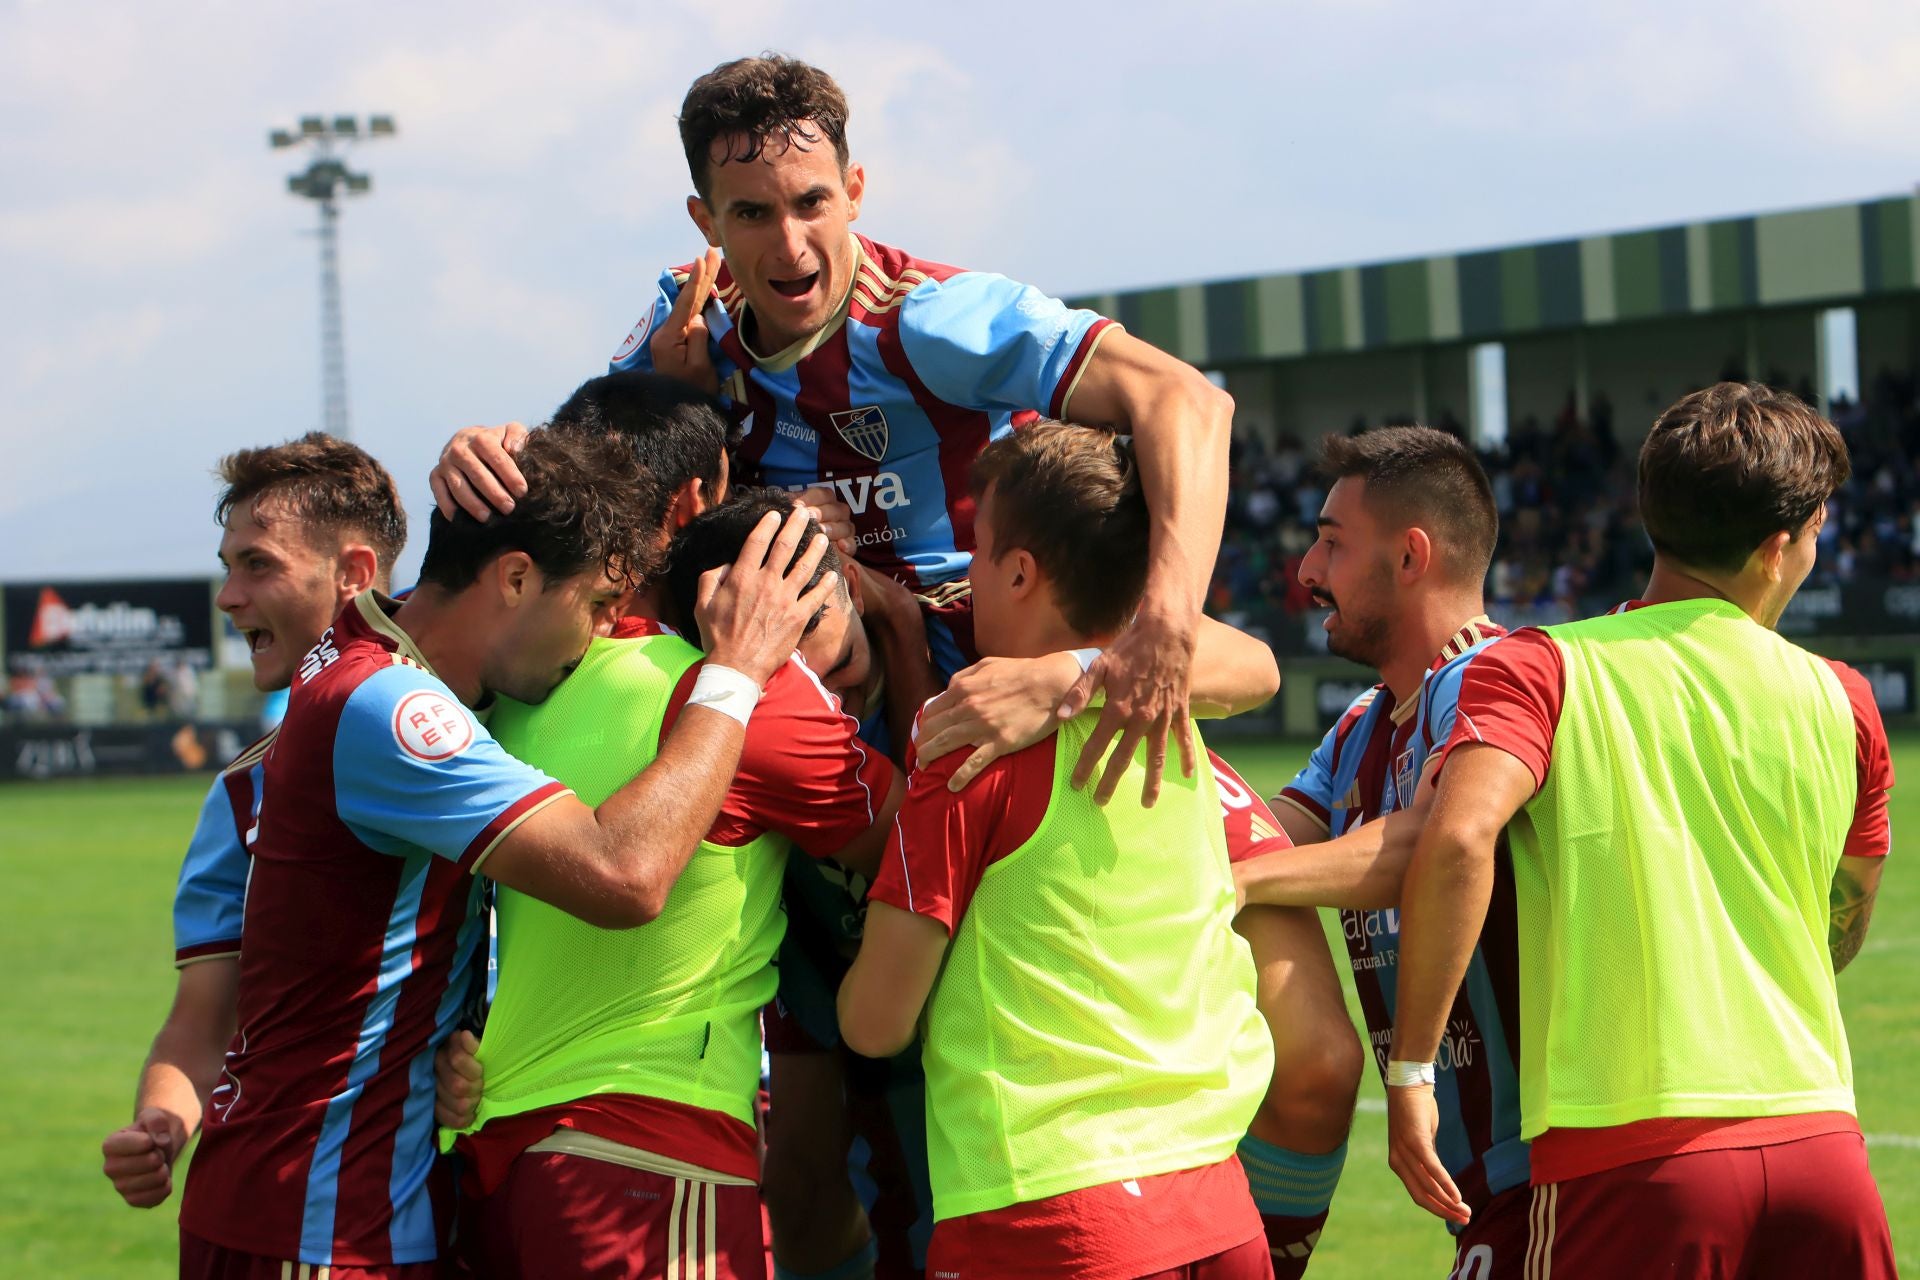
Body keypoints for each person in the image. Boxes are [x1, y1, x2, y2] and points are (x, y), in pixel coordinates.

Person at [434, 52, 1234, 810]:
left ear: (854, 190)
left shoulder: (930, 318)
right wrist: (497, 453)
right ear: (705, 220)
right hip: (800, 684)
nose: (789, 243)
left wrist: (1164, 624)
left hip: (993, 671)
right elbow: (596, 470)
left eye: (811, 202)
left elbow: (1189, 402)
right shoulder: (687, 325)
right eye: (751, 212)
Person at [173, 425, 835, 1278]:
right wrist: (737, 669)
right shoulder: (388, 708)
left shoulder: (372, 660)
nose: (599, 637)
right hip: (318, 1214)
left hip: (349, 1194)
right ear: (516, 577)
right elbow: (621, 874)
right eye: (596, 607)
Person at [1387, 383, 1896, 1278]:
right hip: (1823, 1141)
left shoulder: (1540, 668)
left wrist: (1412, 1070)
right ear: (1780, 547)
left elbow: (1459, 838)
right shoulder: (1846, 699)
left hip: (1631, 1160)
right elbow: (1844, 919)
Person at [439, 387, 905, 1280]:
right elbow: (925, 842)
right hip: (650, 1154)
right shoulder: (744, 694)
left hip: (499, 1144)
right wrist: (905, 632)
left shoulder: (517, 679)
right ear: (697, 502)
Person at [838, 423, 1274, 1280]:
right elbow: (1252, 664)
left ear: (1020, 572)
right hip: (1217, 1202)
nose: (964, 575)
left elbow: (876, 1021)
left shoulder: (966, 753)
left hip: (1049, 1215)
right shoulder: (1176, 715)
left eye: (978, 549)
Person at [1230, 426, 1528, 1278]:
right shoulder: (1367, 720)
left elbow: (1423, 845)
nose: (1307, 572)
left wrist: (1226, 885)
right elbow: (1267, 826)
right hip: (1482, 1180)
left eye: (1331, 542)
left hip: (1552, 1166)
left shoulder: (1494, 678)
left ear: (1410, 557)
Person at [101, 433, 408, 1213]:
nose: (228, 596)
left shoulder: (469, 736)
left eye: (258, 564)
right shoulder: (243, 792)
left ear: (354, 574)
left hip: (448, 1197)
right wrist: (162, 1123)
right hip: (277, 1200)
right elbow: (200, 1023)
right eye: (227, 566)